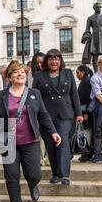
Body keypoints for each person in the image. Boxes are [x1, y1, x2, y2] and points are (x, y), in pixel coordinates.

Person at [0, 61, 61, 202]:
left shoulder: (34, 94)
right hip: (8, 142)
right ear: (9, 77)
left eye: (22, 72)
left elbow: (43, 115)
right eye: (16, 72)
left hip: (30, 141)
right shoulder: (2, 96)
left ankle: (33, 185)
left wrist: (53, 132)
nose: (20, 74)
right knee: (11, 175)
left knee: (34, 173)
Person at [32, 49, 83, 185]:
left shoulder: (68, 73)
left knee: (63, 142)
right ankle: (55, 173)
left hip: (65, 114)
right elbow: (35, 97)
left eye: (57, 59)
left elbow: (74, 94)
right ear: (46, 62)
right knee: (51, 145)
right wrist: (35, 114)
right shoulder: (39, 76)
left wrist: (79, 113)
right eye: (51, 59)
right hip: (46, 116)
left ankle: (65, 174)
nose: (54, 62)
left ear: (60, 61)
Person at [76, 65, 94, 162]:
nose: (77, 75)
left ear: (82, 72)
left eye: (78, 72)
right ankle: (86, 152)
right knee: (85, 131)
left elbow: (88, 98)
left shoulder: (86, 82)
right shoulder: (85, 81)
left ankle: (86, 152)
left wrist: (86, 112)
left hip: (85, 110)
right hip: (84, 110)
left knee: (86, 132)